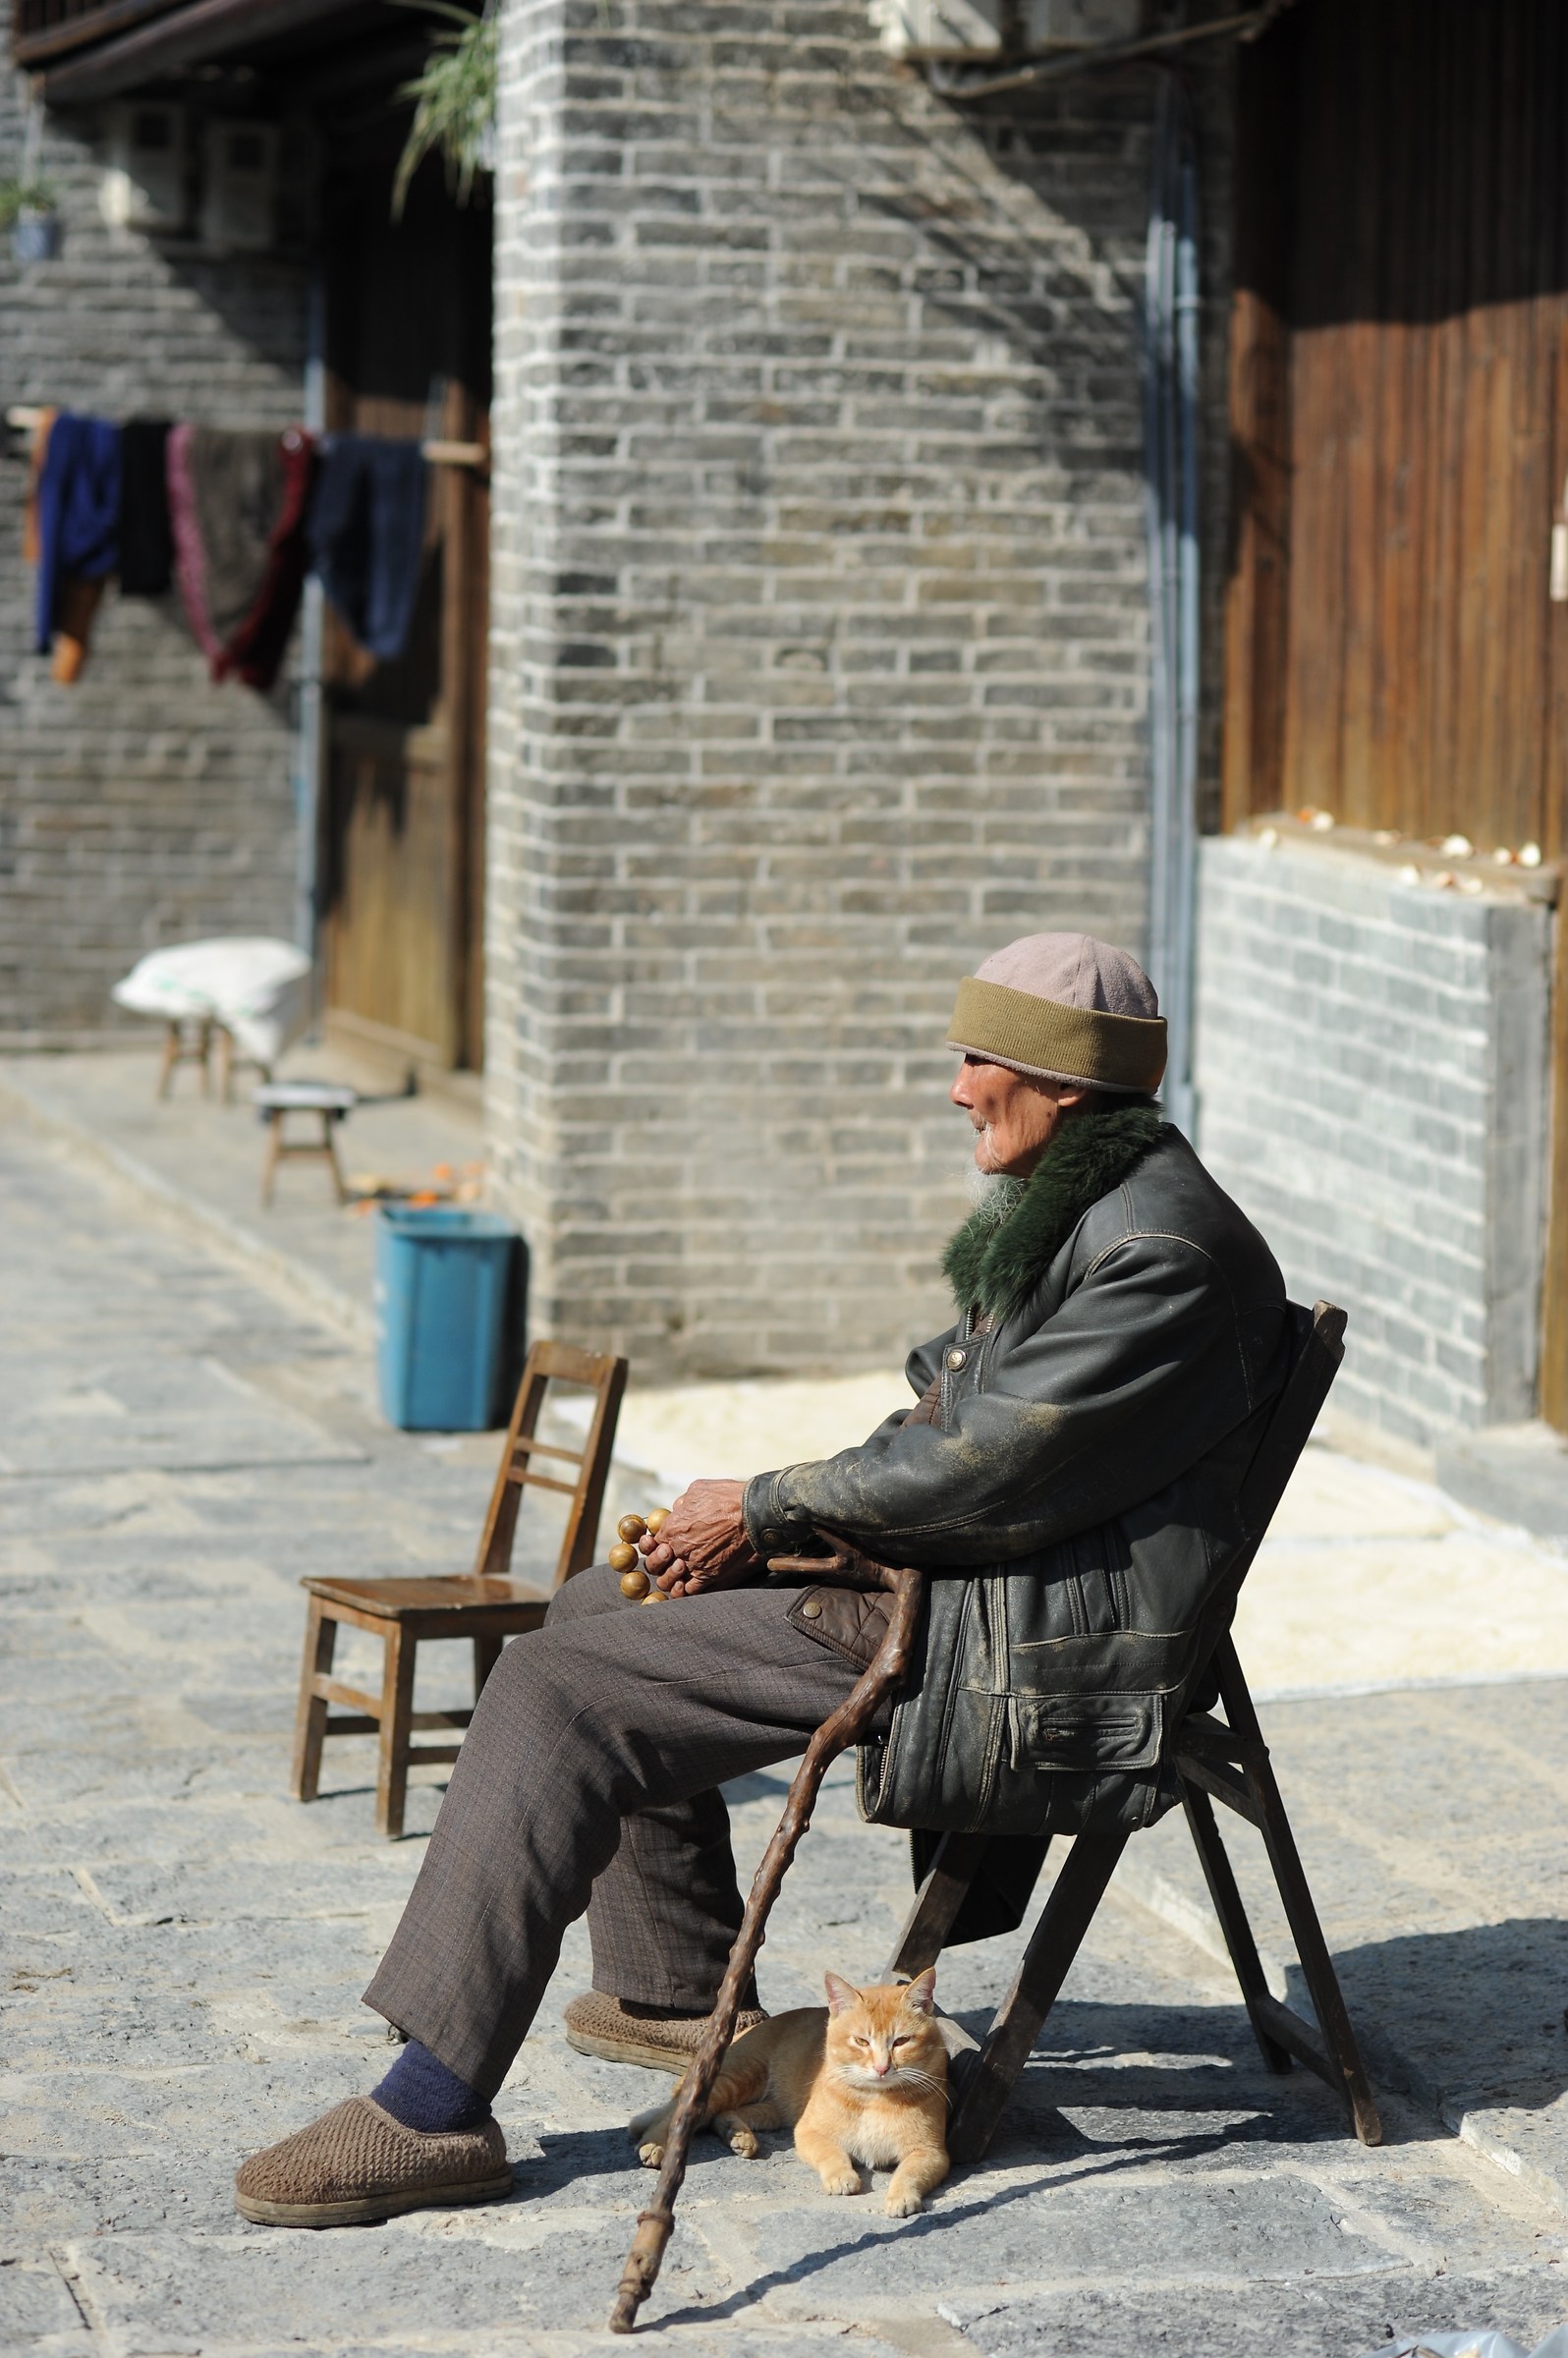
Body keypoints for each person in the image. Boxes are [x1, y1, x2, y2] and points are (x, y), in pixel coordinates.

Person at [235, 932, 1289, 2229]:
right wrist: (760, 1525)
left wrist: (771, 1506)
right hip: (976, 1586)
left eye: (977, 1061)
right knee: (595, 1608)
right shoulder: (1094, 1205)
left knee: (564, 1686)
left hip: (1009, 1640)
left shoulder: (1156, 1255)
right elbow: (963, 1440)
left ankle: (432, 2103)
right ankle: (682, 2000)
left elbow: (990, 1468)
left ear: (1062, 1084)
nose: (956, 1088)